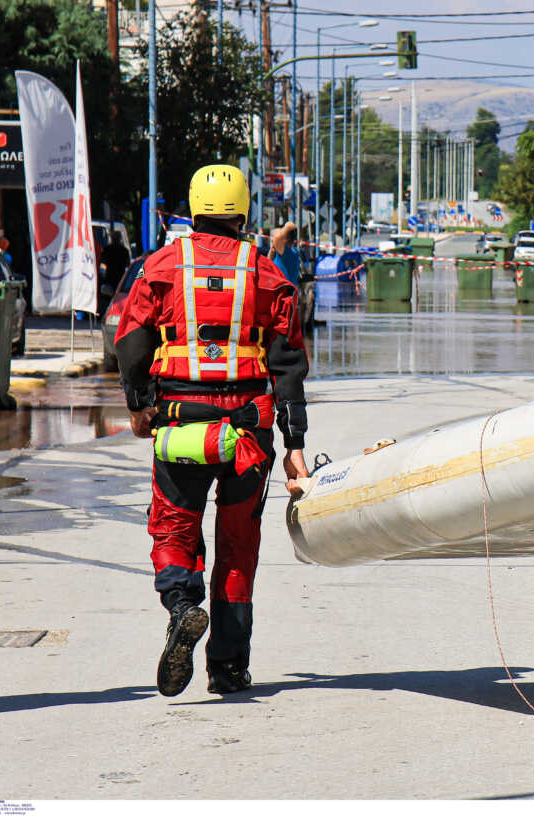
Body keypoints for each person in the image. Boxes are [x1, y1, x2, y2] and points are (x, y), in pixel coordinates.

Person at [115, 164, 311, 697]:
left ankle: (182, 606)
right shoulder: (267, 273)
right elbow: (288, 364)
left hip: (180, 428)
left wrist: (141, 404)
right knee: (238, 546)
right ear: (244, 211)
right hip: (248, 437)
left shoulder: (160, 266)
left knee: (173, 529)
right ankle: (227, 667)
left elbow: (130, 342)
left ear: (194, 208)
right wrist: (295, 446)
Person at [269, 221, 302, 289]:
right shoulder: (293, 253)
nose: (272, 238)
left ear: (286, 239)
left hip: (284, 296)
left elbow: (290, 225)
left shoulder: (286, 253)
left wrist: (288, 225)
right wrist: (271, 253)